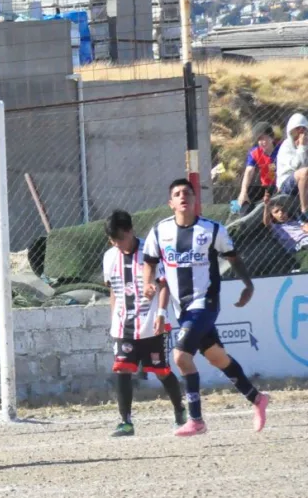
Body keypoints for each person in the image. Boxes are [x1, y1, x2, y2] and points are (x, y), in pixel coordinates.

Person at [142, 178, 269, 437]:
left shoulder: (212, 230)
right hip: (183, 309)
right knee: (216, 357)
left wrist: (248, 285)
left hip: (205, 303)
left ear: (195, 199)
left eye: (187, 192)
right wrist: (147, 283)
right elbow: (149, 261)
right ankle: (257, 399)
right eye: (177, 193)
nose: (183, 196)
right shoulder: (159, 231)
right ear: (171, 203)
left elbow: (233, 257)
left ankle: (196, 419)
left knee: (180, 357)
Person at [102, 210, 185, 437]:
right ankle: (125, 422)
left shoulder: (149, 254)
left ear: (130, 231)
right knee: (122, 370)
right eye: (112, 240)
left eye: (120, 238)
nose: (117, 244)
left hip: (151, 324)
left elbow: (164, 285)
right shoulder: (109, 257)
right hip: (123, 326)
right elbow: (113, 290)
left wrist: (160, 314)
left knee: (160, 371)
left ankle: (180, 411)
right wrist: (114, 320)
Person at [237, 122, 280, 213]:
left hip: (280, 186)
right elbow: (249, 171)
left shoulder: (281, 149)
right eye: (260, 139)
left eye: (265, 138)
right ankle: (244, 221)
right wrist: (243, 191)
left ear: (271, 137)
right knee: (248, 193)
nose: (262, 142)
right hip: (266, 187)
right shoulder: (255, 152)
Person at [277, 113, 308, 221]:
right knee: (304, 172)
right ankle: (305, 211)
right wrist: (302, 147)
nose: (300, 133)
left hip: (303, 183)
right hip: (285, 184)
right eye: (297, 130)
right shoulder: (286, 146)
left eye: (303, 129)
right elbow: (297, 166)